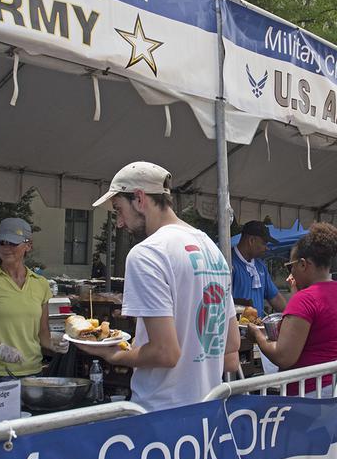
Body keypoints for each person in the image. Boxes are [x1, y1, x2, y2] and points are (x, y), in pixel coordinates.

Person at [78, 161, 240, 412]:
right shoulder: (212, 249)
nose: (119, 222)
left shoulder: (147, 253)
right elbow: (231, 348)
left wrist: (114, 355)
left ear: (140, 198)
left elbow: (165, 353)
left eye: (119, 209)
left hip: (162, 413)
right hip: (209, 410)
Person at [249, 223, 337, 396]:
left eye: (290, 266)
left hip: (314, 391)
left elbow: (284, 357)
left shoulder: (304, 299)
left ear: (303, 264)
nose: (290, 273)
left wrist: (257, 335)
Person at [0, 218, 68, 386]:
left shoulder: (40, 284)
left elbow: (42, 333)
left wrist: (55, 343)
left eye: (13, 243)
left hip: (32, 374)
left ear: (28, 245)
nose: (6, 248)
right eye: (2, 243)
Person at [232, 220, 287, 315]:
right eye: (264, 243)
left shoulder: (260, 265)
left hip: (258, 327)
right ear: (251, 241)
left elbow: (275, 297)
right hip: (236, 328)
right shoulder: (229, 262)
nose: (267, 248)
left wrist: (291, 315)